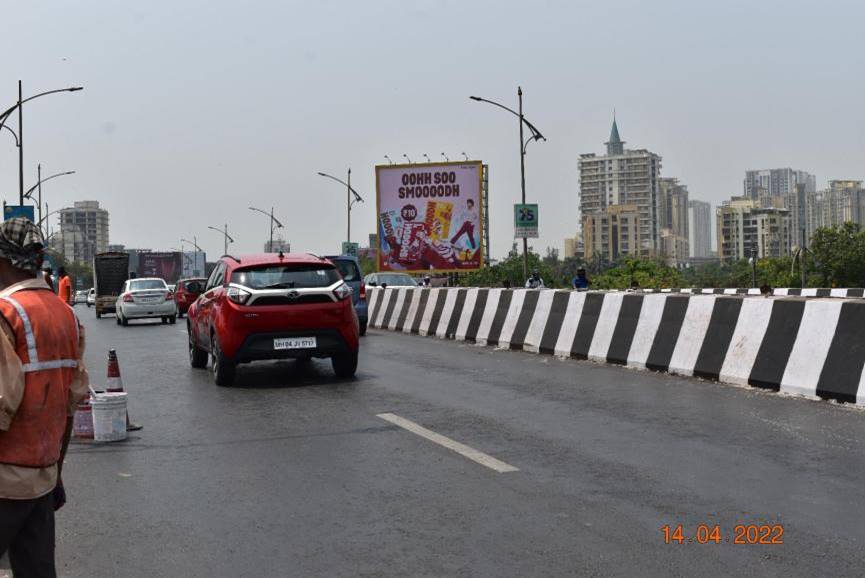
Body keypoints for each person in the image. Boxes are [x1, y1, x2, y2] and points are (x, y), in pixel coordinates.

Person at [0, 218, 89, 577]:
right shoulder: (65, 314)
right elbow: (70, 403)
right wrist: (57, 473)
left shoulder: (5, 313)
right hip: (42, 478)